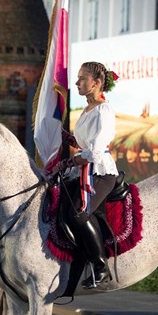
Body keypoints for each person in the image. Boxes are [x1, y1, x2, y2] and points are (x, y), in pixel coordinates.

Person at [48, 61, 119, 289]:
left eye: (82, 79)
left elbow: (95, 152)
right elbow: (82, 144)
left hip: (100, 172)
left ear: (96, 83)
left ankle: (101, 268)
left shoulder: (104, 111)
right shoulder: (88, 110)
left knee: (78, 213)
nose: (77, 83)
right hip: (83, 170)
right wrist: (61, 134)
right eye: (78, 78)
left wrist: (67, 162)